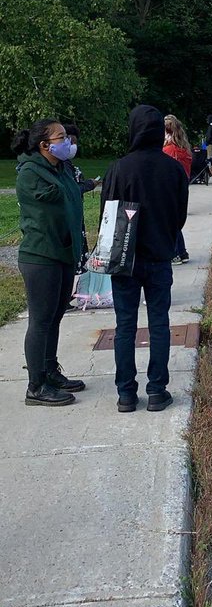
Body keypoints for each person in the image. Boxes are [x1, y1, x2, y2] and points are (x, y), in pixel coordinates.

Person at [101, 104, 188, 414]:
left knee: (124, 326)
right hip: (159, 256)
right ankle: (157, 389)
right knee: (159, 324)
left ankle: (126, 393)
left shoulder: (118, 168)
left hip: (125, 258)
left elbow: (107, 216)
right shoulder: (173, 168)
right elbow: (180, 216)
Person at [13, 119, 86, 405]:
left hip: (63, 254)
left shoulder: (59, 168)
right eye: (61, 137)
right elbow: (52, 203)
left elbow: (72, 195)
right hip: (41, 256)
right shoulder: (30, 173)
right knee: (41, 320)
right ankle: (36, 385)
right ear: (45, 145)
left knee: (55, 316)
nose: (67, 142)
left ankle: (50, 370)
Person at [64, 122, 100, 279]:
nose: (73, 146)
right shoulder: (61, 166)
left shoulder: (67, 164)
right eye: (70, 141)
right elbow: (69, 191)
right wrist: (89, 184)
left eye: (75, 142)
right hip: (68, 217)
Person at [163, 114, 191, 264]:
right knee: (175, 220)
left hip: (169, 188)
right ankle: (182, 251)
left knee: (168, 221)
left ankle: (174, 253)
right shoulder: (184, 149)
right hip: (182, 185)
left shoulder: (168, 150)